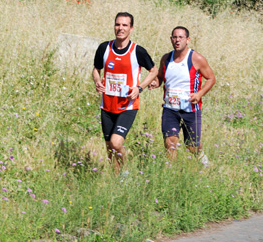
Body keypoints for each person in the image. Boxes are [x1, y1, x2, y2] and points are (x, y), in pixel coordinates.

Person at [92, 12, 158, 174]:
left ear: (131, 28)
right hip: (107, 105)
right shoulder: (104, 48)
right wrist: (97, 81)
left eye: (124, 25)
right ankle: (118, 180)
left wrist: (140, 88)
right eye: (118, 24)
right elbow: (96, 69)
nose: (120, 28)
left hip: (127, 106)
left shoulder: (138, 51)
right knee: (109, 150)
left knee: (116, 143)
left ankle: (126, 170)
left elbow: (153, 70)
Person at [149, 26, 215, 163]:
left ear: (187, 40)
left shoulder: (196, 58)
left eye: (181, 37)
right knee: (170, 143)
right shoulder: (166, 58)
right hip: (170, 108)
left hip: (190, 109)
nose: (177, 40)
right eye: (174, 37)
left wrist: (200, 93)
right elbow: (160, 77)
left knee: (191, 146)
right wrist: (156, 82)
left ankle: (202, 158)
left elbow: (211, 78)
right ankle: (171, 173)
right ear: (171, 39)